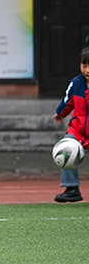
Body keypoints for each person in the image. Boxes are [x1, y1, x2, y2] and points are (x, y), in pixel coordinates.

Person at [51, 47, 89, 202]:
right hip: (78, 129)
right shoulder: (76, 83)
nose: (87, 70)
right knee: (66, 150)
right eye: (84, 66)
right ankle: (71, 188)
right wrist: (61, 113)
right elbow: (68, 102)